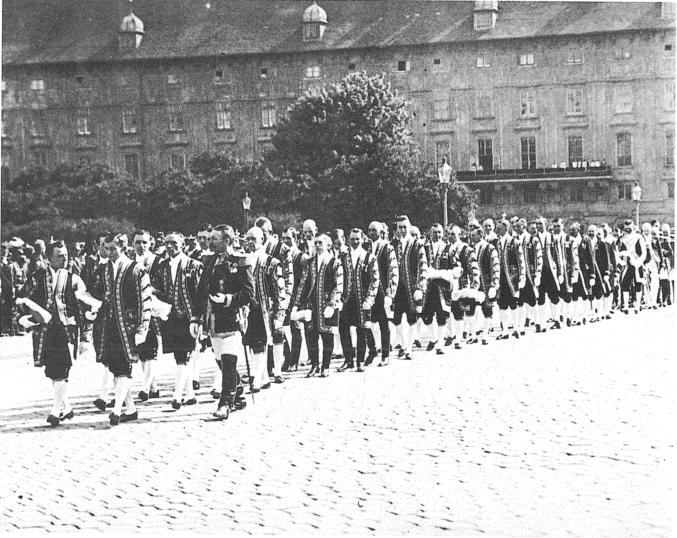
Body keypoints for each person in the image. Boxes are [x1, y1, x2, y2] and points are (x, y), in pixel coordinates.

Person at [16, 240, 98, 426]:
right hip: (45, 331)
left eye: (66, 255)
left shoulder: (74, 278)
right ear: (48, 258)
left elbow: (88, 305)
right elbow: (21, 298)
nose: (64, 259)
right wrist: (26, 318)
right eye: (59, 256)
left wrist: (86, 334)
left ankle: (55, 411)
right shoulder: (38, 276)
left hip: (67, 331)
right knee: (53, 371)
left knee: (62, 369)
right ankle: (66, 408)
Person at [192, 225, 254, 419]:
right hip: (213, 321)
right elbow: (201, 291)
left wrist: (228, 299)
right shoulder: (208, 261)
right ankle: (239, 392)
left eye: (214, 240)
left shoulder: (240, 261)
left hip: (232, 319)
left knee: (228, 361)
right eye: (209, 239)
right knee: (221, 361)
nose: (209, 243)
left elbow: (249, 293)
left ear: (227, 241)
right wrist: (196, 318)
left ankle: (225, 403)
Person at [91, 233, 152, 426]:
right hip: (110, 326)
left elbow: (146, 300)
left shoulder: (137, 269)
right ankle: (131, 408)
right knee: (116, 367)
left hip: (129, 327)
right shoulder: (105, 269)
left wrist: (143, 328)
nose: (109, 252)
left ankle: (117, 410)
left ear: (123, 247)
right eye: (106, 248)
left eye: (113, 248)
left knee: (125, 367)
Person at [156, 232, 203, 409]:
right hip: (171, 318)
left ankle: (177, 396)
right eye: (167, 243)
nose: (170, 247)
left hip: (189, 318)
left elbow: (200, 295)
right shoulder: (162, 267)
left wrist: (199, 319)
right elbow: (161, 291)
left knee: (185, 355)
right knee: (180, 357)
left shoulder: (193, 265)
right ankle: (190, 395)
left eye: (174, 243)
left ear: (182, 244)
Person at [292, 233, 344, 377]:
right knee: (311, 335)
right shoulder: (309, 262)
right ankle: (314, 365)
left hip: (327, 304)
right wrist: (296, 304)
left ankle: (325, 366)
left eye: (320, 242)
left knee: (327, 335)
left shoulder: (335, 262)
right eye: (316, 243)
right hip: (312, 305)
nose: (317, 245)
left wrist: (332, 304)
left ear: (328, 245)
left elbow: (339, 285)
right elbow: (303, 284)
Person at [243, 227, 288, 391]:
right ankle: (263, 377)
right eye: (248, 239)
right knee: (253, 344)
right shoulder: (244, 260)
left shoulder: (271, 262)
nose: (250, 242)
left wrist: (279, 314)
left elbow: (280, 291)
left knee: (260, 345)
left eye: (253, 239)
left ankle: (255, 380)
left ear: (262, 240)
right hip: (248, 309)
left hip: (265, 309)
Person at [256, 216, 294, 380]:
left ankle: (278, 370)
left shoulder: (282, 249)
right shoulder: (254, 248)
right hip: (260, 299)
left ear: (270, 232)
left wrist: (285, 300)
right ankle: (264, 370)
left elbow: (288, 276)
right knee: (261, 335)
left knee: (278, 332)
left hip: (277, 297)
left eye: (263, 232)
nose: (261, 236)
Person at [337, 228, 379, 372]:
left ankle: (360, 361)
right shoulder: (343, 256)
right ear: (348, 239)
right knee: (343, 328)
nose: (355, 242)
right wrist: (338, 298)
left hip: (363, 299)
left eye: (357, 239)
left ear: (362, 240)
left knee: (362, 329)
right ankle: (348, 359)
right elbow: (339, 277)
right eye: (352, 239)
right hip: (347, 298)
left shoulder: (369, 257)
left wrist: (370, 299)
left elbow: (375, 280)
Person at [133, 229, 164, 401]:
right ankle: (153, 386)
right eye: (138, 242)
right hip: (137, 310)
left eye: (144, 242)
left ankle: (145, 387)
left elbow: (165, 286)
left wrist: (151, 290)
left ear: (151, 242)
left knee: (151, 347)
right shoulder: (130, 262)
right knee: (142, 349)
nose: (141, 246)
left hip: (155, 309)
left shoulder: (158, 262)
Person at [392, 216, 428, 360]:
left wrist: (420, 286)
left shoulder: (417, 244)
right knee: (396, 318)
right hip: (397, 287)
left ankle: (409, 348)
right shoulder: (392, 245)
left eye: (404, 227)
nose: (402, 230)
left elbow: (423, 265)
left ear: (409, 227)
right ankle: (404, 343)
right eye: (399, 227)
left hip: (412, 286)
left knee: (412, 317)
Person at [367, 221, 398, 367]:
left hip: (382, 291)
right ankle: (372, 350)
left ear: (381, 232)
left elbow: (393, 271)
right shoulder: (365, 247)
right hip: (368, 291)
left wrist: (390, 293)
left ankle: (385, 355)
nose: (372, 233)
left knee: (383, 324)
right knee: (366, 322)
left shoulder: (387, 247)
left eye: (374, 230)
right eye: (370, 230)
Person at [281, 227, 310, 372]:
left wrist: (299, 301)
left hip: (298, 297)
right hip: (285, 296)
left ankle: (295, 360)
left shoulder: (302, 257)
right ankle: (287, 358)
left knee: (296, 329)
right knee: (283, 328)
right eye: (284, 238)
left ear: (296, 240)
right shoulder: (282, 255)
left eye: (289, 238)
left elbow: (306, 280)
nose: (286, 241)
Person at [422, 224, 451, 355]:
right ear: (429, 233)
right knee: (425, 316)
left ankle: (440, 344)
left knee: (441, 315)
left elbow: (454, 265)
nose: (437, 235)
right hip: (428, 287)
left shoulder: (448, 248)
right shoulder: (424, 247)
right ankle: (434, 337)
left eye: (439, 232)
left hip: (442, 287)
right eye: (434, 232)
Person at [495, 219, 525, 339]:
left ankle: (517, 328)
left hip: (512, 277)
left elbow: (521, 261)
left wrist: (522, 276)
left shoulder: (515, 242)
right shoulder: (495, 243)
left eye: (499, 229)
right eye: (497, 229)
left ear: (506, 229)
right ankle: (505, 331)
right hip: (500, 278)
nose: (497, 231)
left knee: (513, 302)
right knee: (502, 304)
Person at [471, 224, 499, 345]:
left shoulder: (490, 248)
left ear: (481, 235)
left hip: (486, 282)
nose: (471, 237)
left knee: (487, 309)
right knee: (472, 308)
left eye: (474, 235)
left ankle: (485, 335)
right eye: (470, 235)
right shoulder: (470, 248)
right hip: (474, 283)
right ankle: (473, 334)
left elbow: (495, 266)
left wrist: (494, 284)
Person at [535, 217, 562, 331]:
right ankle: (541, 323)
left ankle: (556, 319)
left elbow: (558, 255)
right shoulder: (533, 238)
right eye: (536, 224)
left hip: (550, 270)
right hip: (539, 272)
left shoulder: (552, 237)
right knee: (540, 298)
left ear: (545, 224)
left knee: (554, 296)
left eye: (540, 224)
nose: (538, 226)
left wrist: (560, 273)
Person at [618, 220, 646, 314]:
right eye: (626, 227)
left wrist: (638, 262)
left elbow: (644, 253)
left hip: (637, 264)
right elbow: (619, 250)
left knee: (638, 284)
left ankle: (637, 306)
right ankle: (625, 306)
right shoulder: (622, 238)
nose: (628, 228)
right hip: (627, 264)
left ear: (633, 226)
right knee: (625, 284)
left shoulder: (639, 237)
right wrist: (622, 260)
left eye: (629, 226)